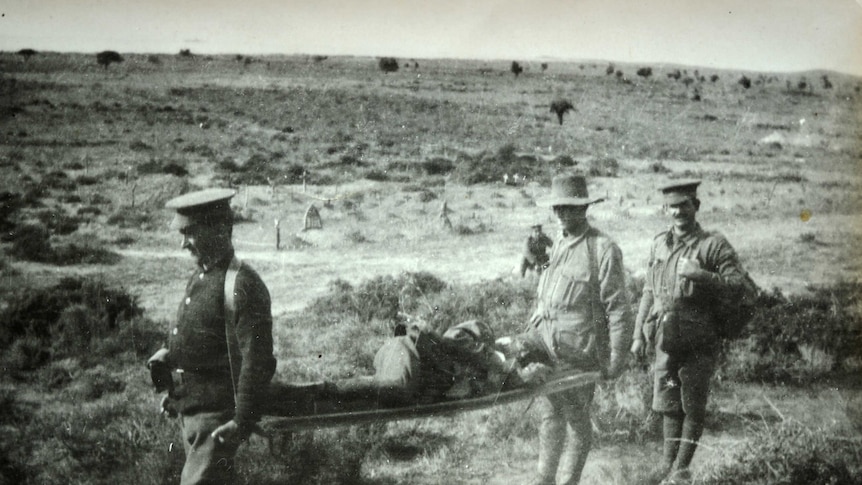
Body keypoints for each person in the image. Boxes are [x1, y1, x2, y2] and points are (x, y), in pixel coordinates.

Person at [147, 188, 276, 485]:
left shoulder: (241, 284)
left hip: (217, 419)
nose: (183, 244)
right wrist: (176, 394)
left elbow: (255, 361)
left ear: (219, 228)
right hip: (192, 411)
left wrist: (241, 421)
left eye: (190, 233)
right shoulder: (202, 277)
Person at [630, 180, 746, 485]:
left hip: (698, 340)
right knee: (669, 399)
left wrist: (702, 276)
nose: (678, 211)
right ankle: (667, 464)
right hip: (665, 340)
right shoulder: (659, 243)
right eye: (673, 206)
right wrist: (637, 334)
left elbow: (738, 285)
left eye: (685, 204)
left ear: (696, 206)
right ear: (664, 209)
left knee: (692, 403)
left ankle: (682, 469)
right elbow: (648, 290)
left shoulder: (714, 244)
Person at [518, 174, 632, 485]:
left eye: (568, 208)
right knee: (549, 413)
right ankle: (544, 479)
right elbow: (546, 294)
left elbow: (619, 308)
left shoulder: (602, 249)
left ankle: (567, 482)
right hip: (547, 344)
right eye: (557, 208)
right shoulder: (559, 245)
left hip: (579, 351)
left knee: (577, 422)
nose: (561, 214)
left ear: (584, 208)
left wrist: (617, 358)